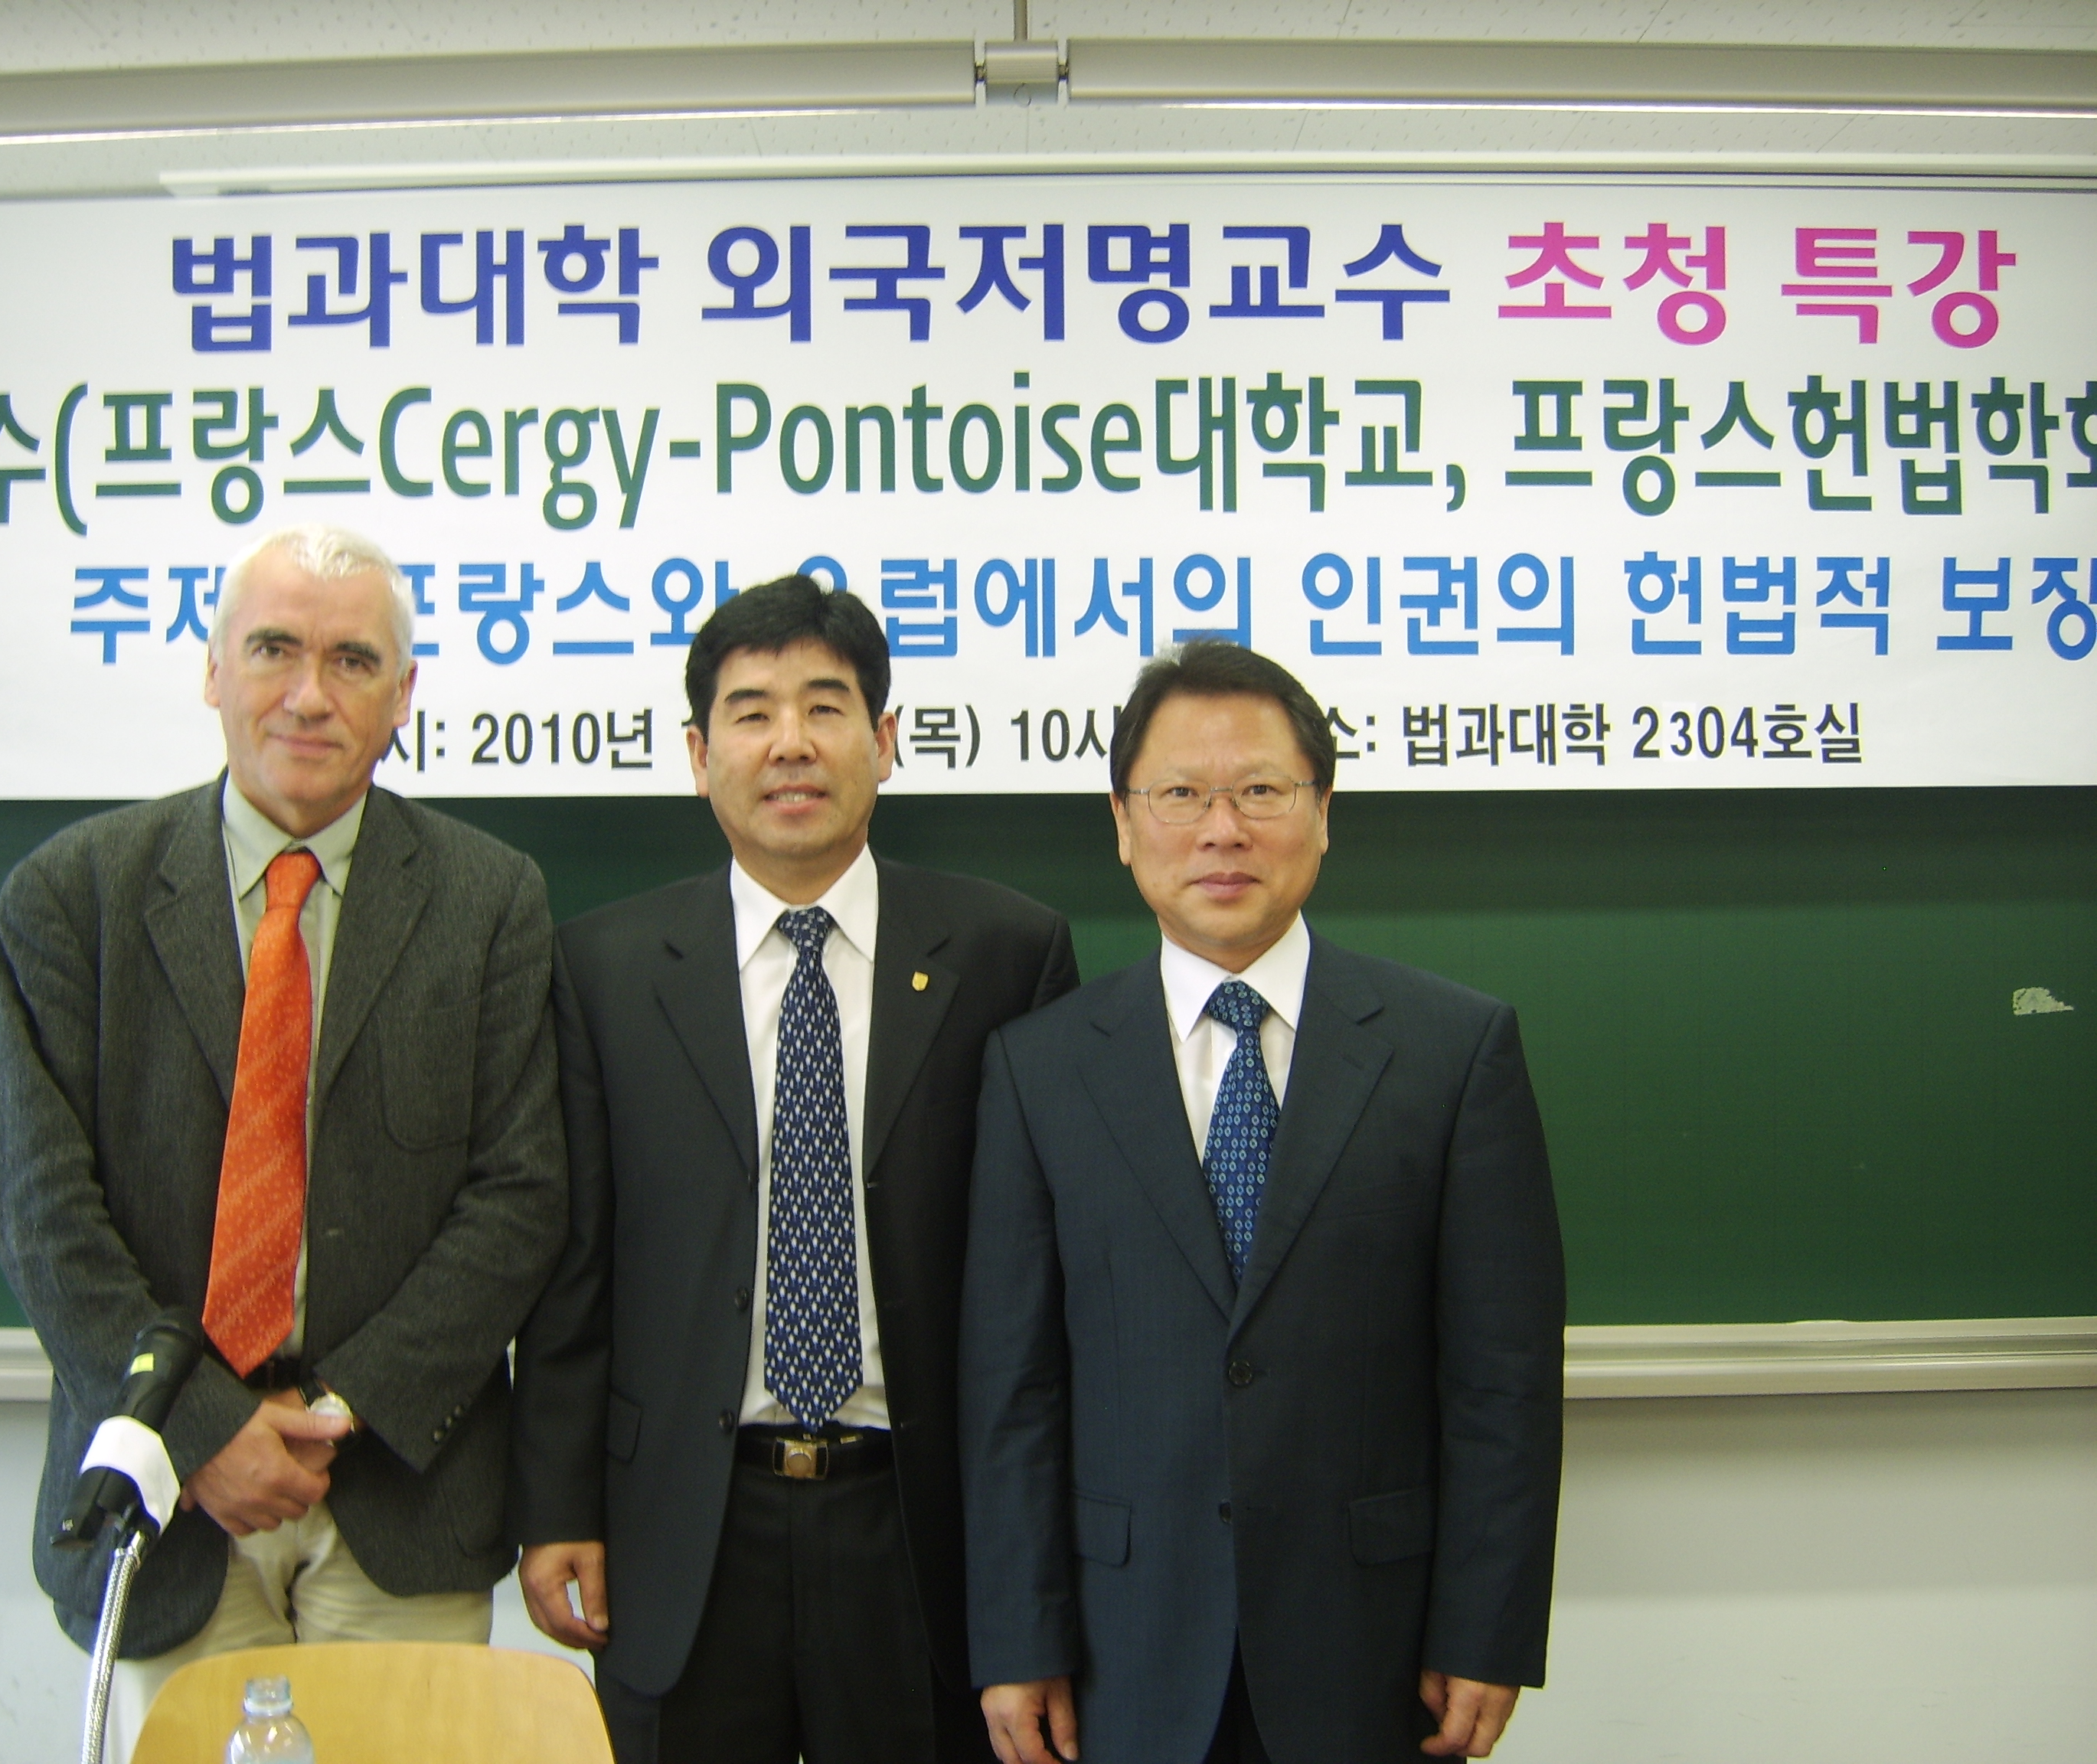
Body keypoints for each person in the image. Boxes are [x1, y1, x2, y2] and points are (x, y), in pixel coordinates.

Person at [0, 524, 566, 1760]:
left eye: (353, 661)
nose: (309, 695)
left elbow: (520, 1195)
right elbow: (40, 1207)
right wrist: (204, 1430)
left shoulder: (491, 898)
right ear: (212, 670)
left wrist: (337, 1411)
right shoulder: (72, 895)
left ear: (404, 695)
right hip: (169, 1493)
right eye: (273, 650)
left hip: (400, 1480)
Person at [960, 641, 1564, 1764]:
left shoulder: (1454, 1050)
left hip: (1376, 1646)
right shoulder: (1038, 1068)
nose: (1222, 829)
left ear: (1324, 813)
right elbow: (1013, 1389)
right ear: (1123, 823)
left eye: (1261, 791)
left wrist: (1488, 1626)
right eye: (1181, 794)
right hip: (1120, 1645)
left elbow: (1502, 1380)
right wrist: (1016, 1636)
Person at [510, 573, 1078, 1764]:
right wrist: (558, 1504)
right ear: (697, 754)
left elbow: (1043, 1288)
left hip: (919, 1525)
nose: (791, 744)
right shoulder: (604, 968)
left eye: (826, 707)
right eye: (752, 712)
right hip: (684, 1522)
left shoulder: (1007, 953)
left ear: (884, 740)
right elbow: (576, 1265)